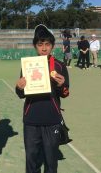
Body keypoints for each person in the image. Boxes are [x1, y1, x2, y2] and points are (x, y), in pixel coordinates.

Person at [15, 24, 70, 173]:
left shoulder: (59, 66)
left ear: (52, 46)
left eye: (47, 44)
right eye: (40, 44)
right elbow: (21, 94)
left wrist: (61, 85)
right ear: (35, 46)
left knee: (51, 162)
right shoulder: (28, 65)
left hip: (52, 119)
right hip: (31, 119)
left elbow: (65, 93)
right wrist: (19, 87)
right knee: (32, 160)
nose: (44, 48)